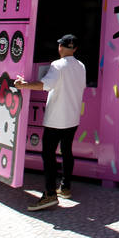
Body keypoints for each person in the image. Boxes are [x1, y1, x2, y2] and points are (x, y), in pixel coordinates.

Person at [14, 33, 87, 211]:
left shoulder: (57, 65)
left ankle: (49, 194)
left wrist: (23, 85)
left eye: (60, 45)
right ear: (75, 49)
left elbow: (44, 85)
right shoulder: (81, 66)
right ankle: (66, 187)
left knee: (48, 155)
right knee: (67, 151)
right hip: (72, 117)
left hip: (56, 119)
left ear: (61, 47)